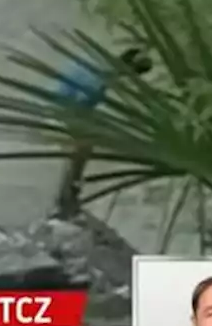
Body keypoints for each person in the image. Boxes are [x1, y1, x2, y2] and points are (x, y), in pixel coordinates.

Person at [53, 46, 152, 215]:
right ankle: (67, 198)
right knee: (80, 151)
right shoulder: (102, 76)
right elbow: (82, 101)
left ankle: (68, 196)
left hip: (66, 100)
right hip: (67, 106)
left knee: (80, 152)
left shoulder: (102, 62)